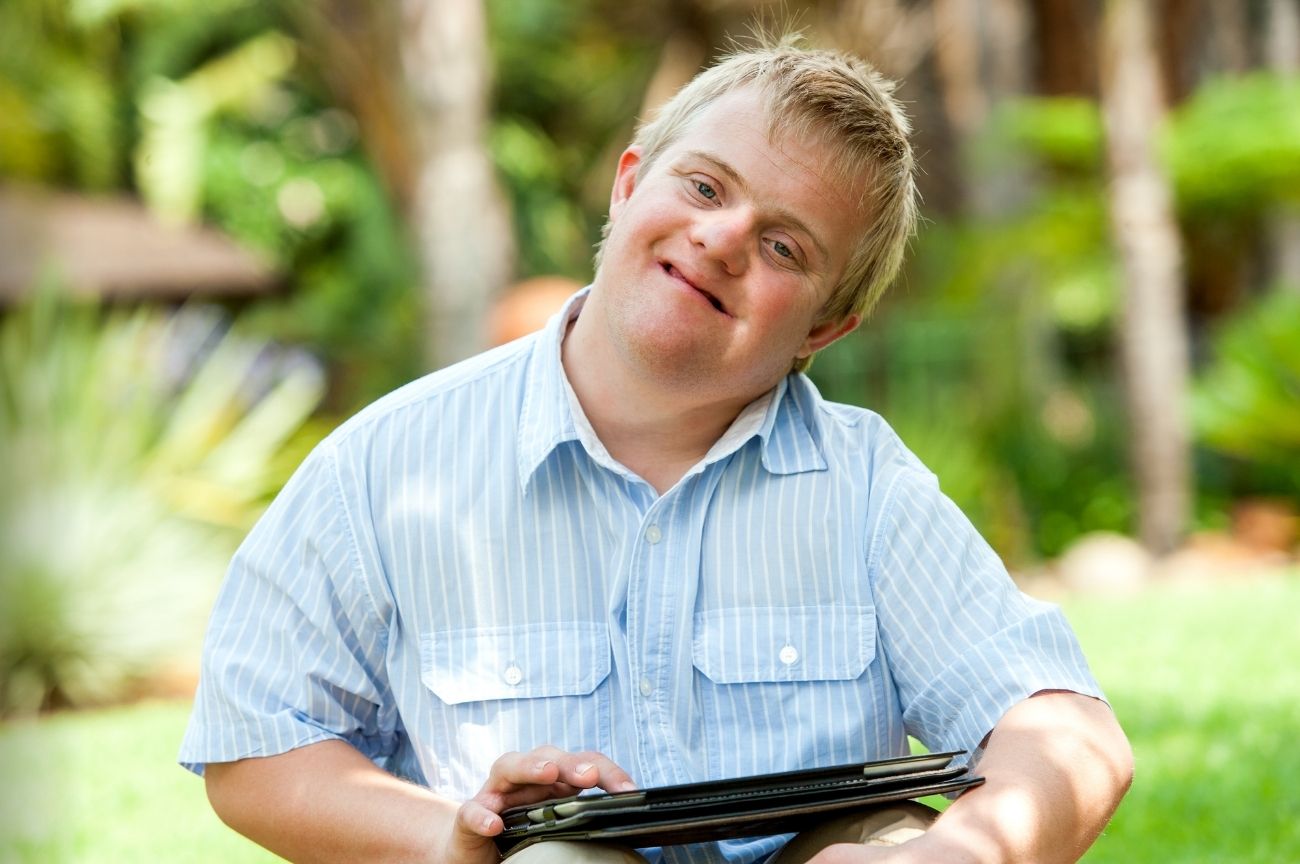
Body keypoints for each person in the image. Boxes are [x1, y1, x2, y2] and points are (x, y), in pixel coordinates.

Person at [182, 36, 1133, 864]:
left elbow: (1065, 728)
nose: (721, 239)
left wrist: (962, 853)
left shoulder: (868, 488)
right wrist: (449, 836)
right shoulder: (384, 466)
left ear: (826, 328)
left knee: (890, 834)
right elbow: (256, 745)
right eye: (706, 187)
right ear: (629, 182)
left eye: (786, 247)